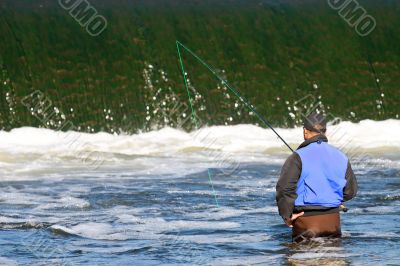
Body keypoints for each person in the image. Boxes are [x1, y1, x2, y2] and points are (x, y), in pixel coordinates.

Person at [276, 112, 358, 242]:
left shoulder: (297, 157)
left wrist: (287, 215)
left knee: (300, 259)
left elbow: (284, 189)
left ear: (305, 131)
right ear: (325, 132)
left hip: (306, 225)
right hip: (333, 224)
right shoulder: (341, 156)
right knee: (333, 258)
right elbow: (350, 192)